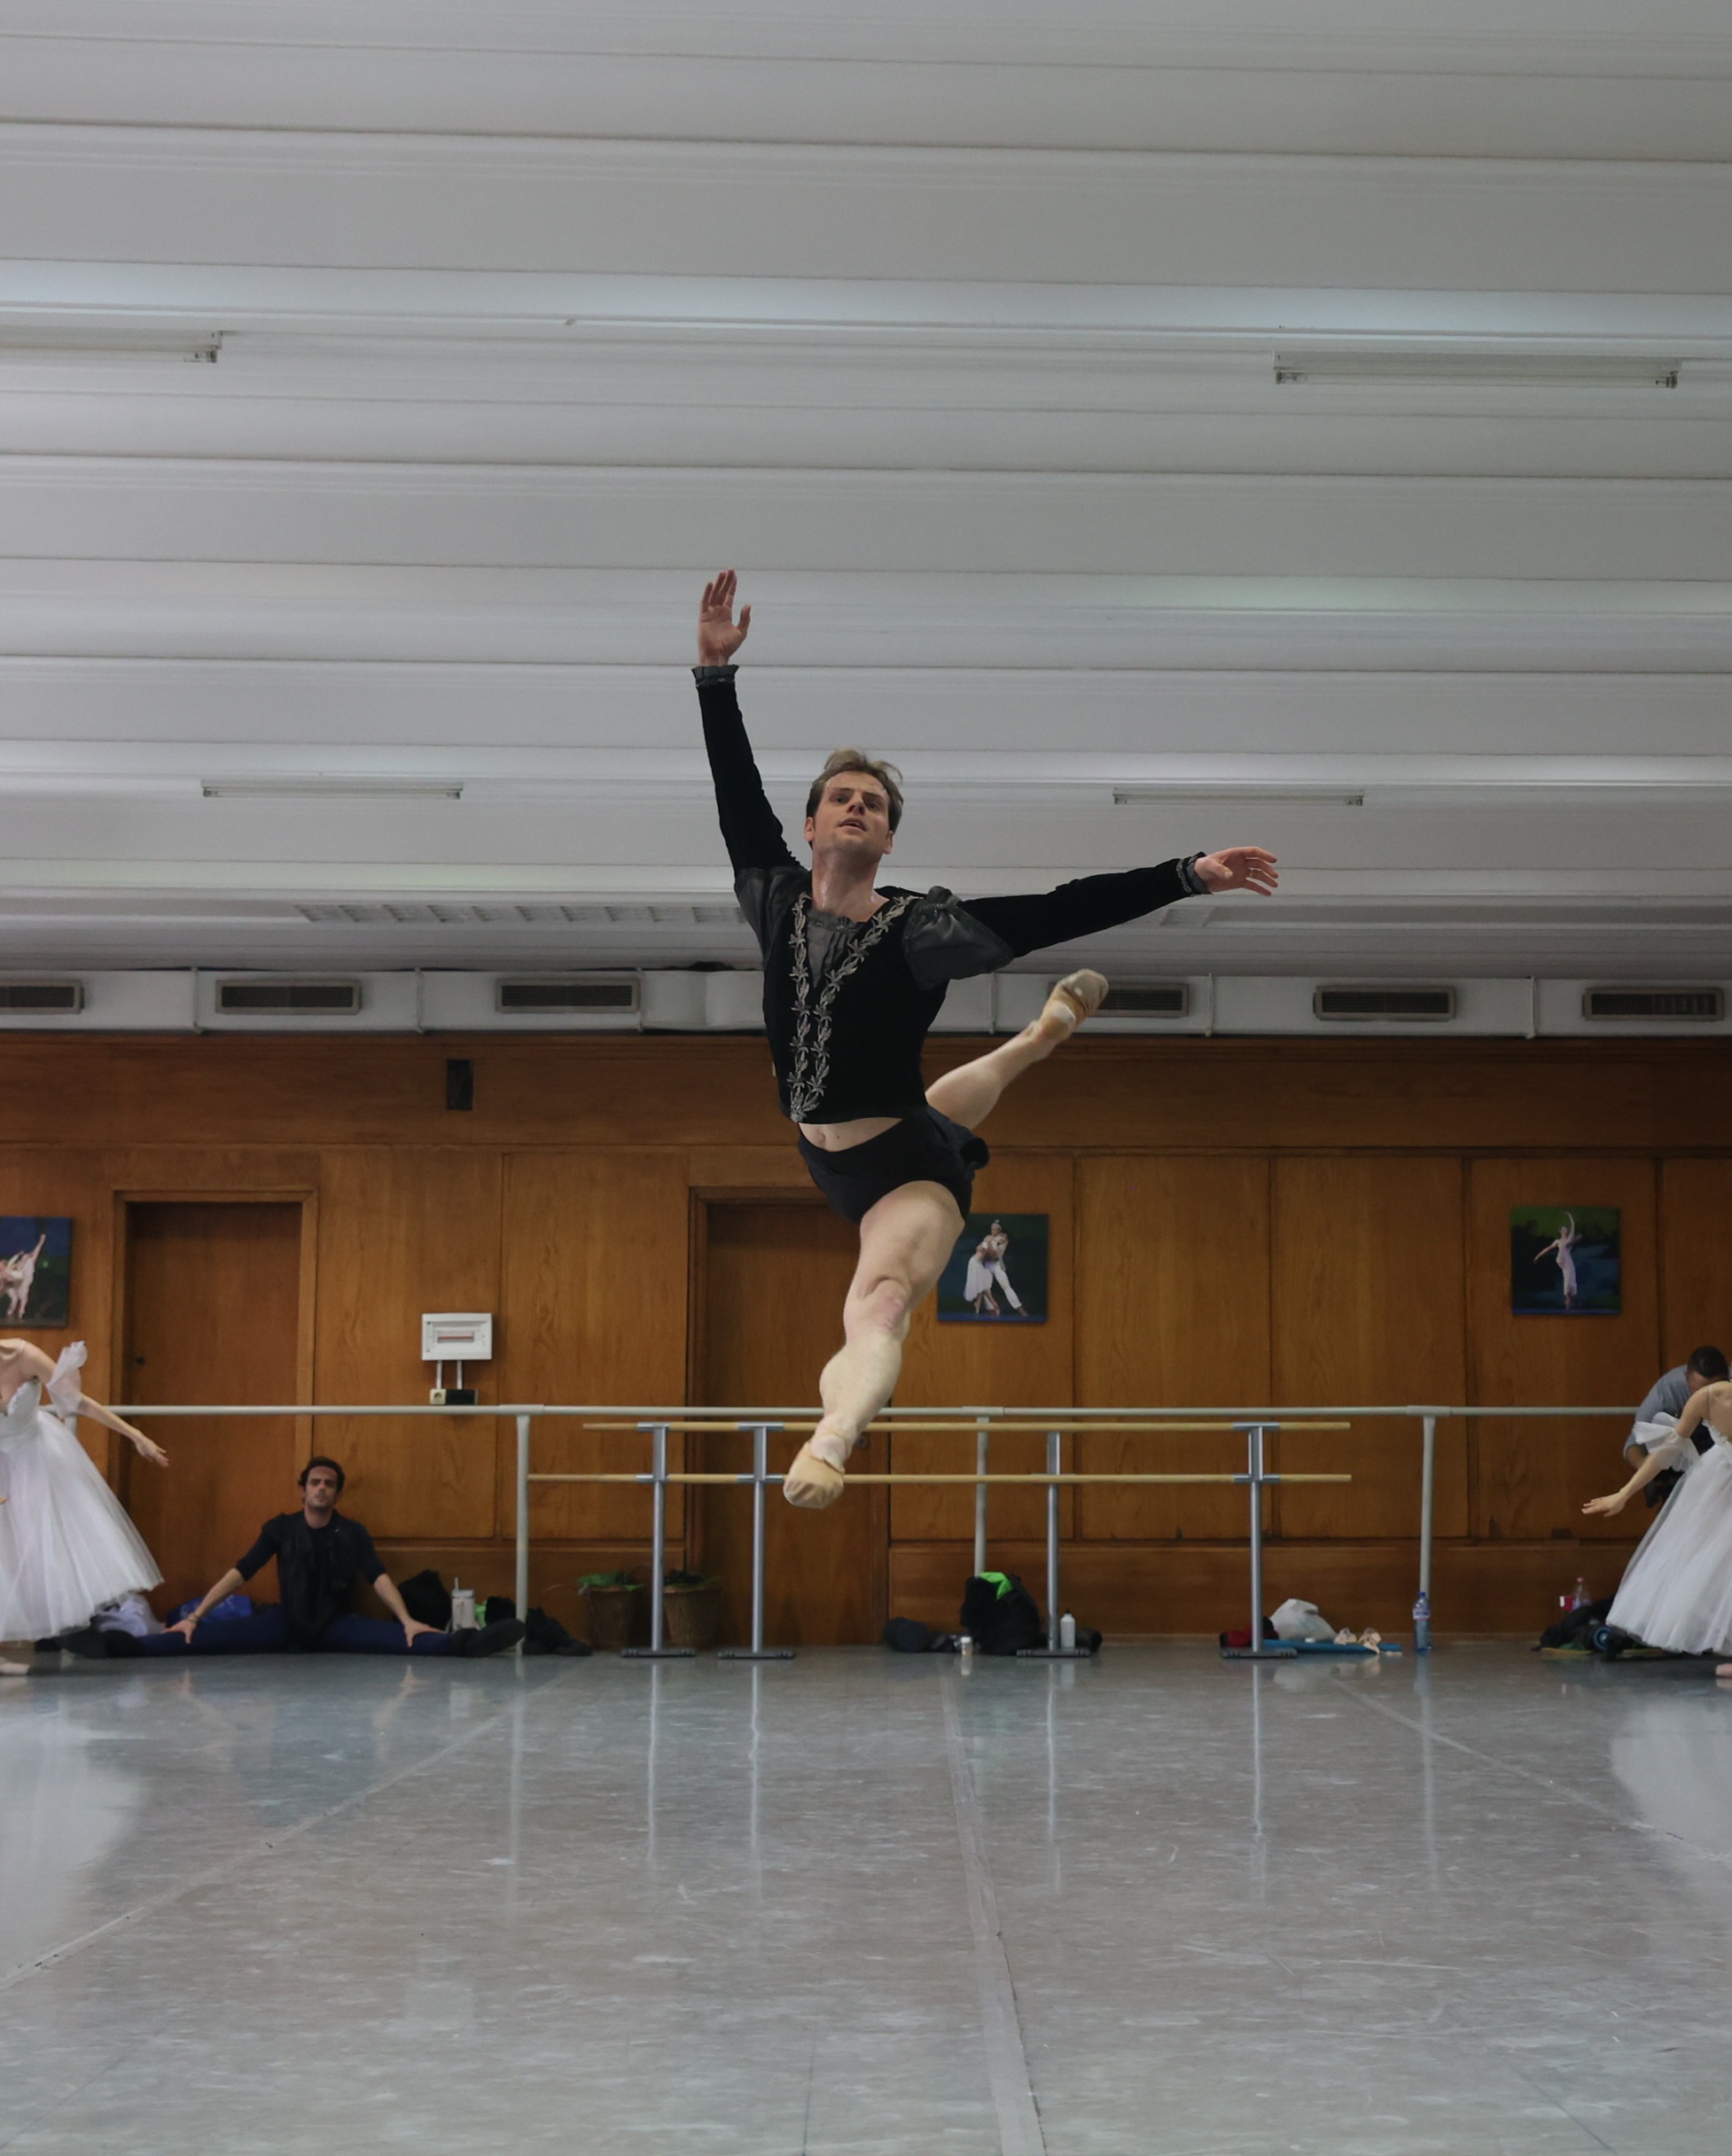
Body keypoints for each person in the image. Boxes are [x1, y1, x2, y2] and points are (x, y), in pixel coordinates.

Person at [693, 570, 1278, 1508]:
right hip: (836, 1152)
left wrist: (1186, 874)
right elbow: (734, 793)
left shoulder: (923, 927)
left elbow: (1054, 909)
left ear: (887, 839)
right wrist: (713, 675)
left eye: (873, 805)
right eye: (839, 798)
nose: (854, 808)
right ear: (808, 826)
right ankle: (1040, 1035)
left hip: (906, 1180)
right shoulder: (770, 894)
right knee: (936, 1105)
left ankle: (832, 1438)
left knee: (879, 1304)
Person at [83, 1457, 523, 1659]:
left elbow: (378, 1577)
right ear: (302, 1489)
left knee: (405, 1641)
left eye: (329, 1484)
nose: (321, 1489)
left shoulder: (351, 1533)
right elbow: (241, 1572)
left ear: (337, 1493)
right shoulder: (281, 1528)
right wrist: (196, 1616)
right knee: (196, 1641)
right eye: (314, 1482)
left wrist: (407, 1620)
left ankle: (464, 1643)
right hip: (283, 1622)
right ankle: (118, 1647)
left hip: (337, 1625)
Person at [0, 1338, 167, 1651]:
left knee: (43, 1550)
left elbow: (78, 1402)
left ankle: (54, 1638)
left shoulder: (24, 1355)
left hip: (37, 1459)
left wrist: (135, 1434)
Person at [1581, 1379, 1732, 1665]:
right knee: (1709, 1568)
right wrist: (1624, 1493)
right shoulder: (1708, 1398)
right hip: (1717, 1486)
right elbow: (1666, 1452)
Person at [1625, 1346, 1729, 1503]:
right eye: (1699, 1391)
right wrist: (1643, 1474)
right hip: (1679, 1462)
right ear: (1687, 1377)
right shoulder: (1668, 1392)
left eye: (1713, 1392)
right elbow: (1637, 1442)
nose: (1705, 1398)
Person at [964, 1221, 1023, 1317]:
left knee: (997, 1285)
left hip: (992, 1264)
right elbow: (979, 1248)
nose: (994, 1231)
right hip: (981, 1263)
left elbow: (994, 1254)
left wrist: (990, 1242)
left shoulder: (1001, 1239)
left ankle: (1016, 1307)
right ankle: (991, 1307)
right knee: (984, 1286)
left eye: (996, 1229)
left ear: (999, 1230)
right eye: (992, 1229)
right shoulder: (988, 1238)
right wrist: (987, 1243)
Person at [1534, 1213, 1581, 1310]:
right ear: (1560, 1231)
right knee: (1567, 1246)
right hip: (1561, 1259)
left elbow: (1573, 1225)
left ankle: (1568, 1302)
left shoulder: (1569, 1238)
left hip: (1568, 1261)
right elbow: (1548, 1249)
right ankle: (1568, 1301)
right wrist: (1538, 1255)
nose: (1565, 1229)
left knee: (1570, 1278)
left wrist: (1570, 1216)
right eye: (1563, 1228)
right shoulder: (1558, 1241)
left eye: (1565, 1228)